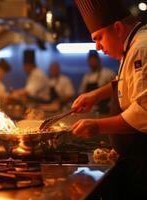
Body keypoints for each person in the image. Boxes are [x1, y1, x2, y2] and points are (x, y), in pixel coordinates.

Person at [72, 0, 147, 198]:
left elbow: (144, 113)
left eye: (99, 38)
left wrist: (98, 126)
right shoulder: (131, 45)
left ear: (118, 27)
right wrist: (96, 95)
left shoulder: (142, 48)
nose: (97, 47)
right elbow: (124, 81)